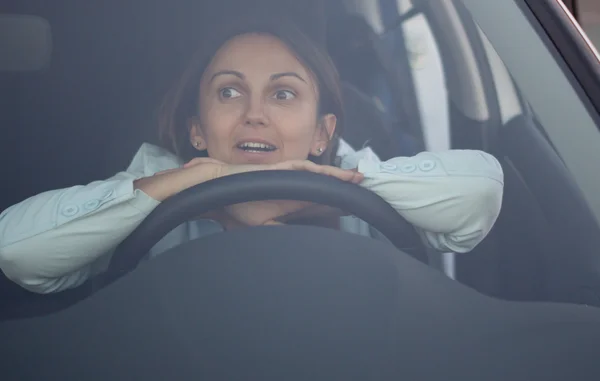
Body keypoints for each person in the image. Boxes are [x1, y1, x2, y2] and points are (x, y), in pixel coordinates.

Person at [0, 18, 504, 295]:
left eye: (283, 94)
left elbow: (480, 190)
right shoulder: (156, 180)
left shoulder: (356, 176)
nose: (255, 114)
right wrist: (179, 189)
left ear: (321, 132)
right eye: (228, 92)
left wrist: (325, 194)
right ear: (197, 129)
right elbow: (16, 250)